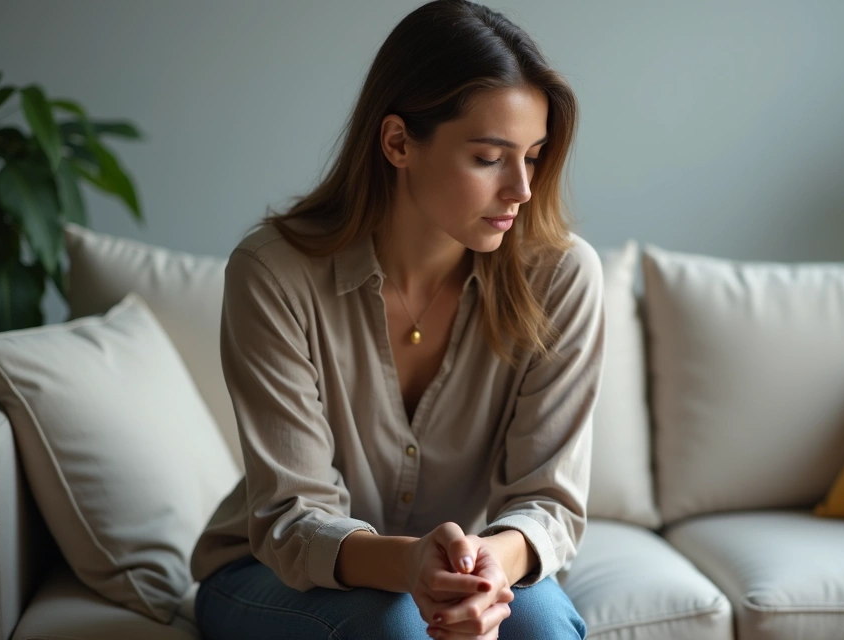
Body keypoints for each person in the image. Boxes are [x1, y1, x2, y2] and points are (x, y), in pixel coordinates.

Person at [188, 1, 604, 638]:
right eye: (489, 158)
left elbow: (549, 501)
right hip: (271, 574)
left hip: (465, 563)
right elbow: (292, 518)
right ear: (398, 142)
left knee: (541, 627)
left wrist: (486, 569)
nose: (521, 189)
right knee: (395, 628)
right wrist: (411, 564)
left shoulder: (561, 277)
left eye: (533, 156)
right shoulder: (274, 274)